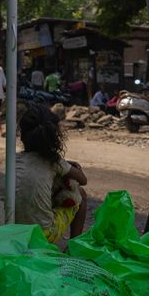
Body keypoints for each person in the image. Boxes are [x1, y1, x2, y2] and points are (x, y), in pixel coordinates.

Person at [16, 103, 89, 246]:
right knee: (81, 194)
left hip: (14, 230)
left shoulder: (14, 159)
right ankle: (73, 247)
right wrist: (70, 166)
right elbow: (83, 180)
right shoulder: (54, 161)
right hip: (43, 235)